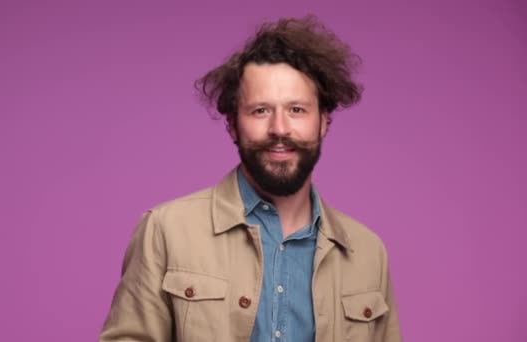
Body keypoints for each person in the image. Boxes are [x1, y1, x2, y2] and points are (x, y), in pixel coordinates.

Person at [99, 15, 401, 342]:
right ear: (232, 124)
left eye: (297, 110)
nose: (280, 129)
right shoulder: (166, 231)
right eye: (260, 110)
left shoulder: (369, 253)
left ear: (323, 121)